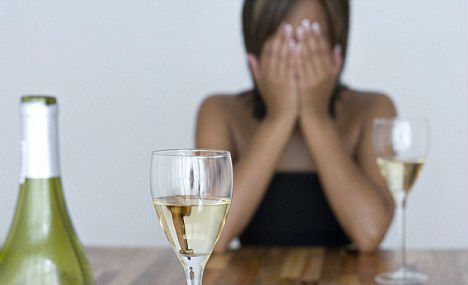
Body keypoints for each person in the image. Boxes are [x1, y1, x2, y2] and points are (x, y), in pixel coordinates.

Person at [196, 0, 395, 253]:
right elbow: (209, 238)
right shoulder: (220, 111)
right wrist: (279, 118)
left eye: (310, 35)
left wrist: (314, 114)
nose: (297, 53)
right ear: (255, 45)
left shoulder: (373, 109)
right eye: (284, 38)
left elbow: (370, 233)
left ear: (337, 45)